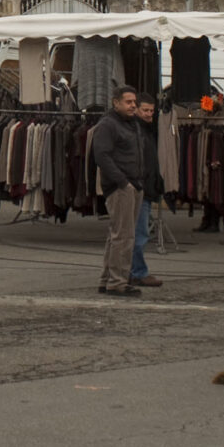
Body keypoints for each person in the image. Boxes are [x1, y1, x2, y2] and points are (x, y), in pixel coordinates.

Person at [87, 87, 144, 298]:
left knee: (117, 236)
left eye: (134, 102)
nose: (132, 106)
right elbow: (101, 155)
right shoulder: (108, 125)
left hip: (133, 184)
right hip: (121, 187)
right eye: (128, 102)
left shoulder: (131, 124)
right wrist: (122, 182)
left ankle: (108, 279)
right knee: (124, 236)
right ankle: (118, 282)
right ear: (116, 102)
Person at [130, 92, 163, 288]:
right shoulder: (136, 130)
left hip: (146, 187)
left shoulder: (147, 130)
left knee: (138, 232)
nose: (149, 114)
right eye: (146, 110)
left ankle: (134, 271)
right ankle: (138, 272)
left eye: (151, 110)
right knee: (139, 233)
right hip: (139, 188)